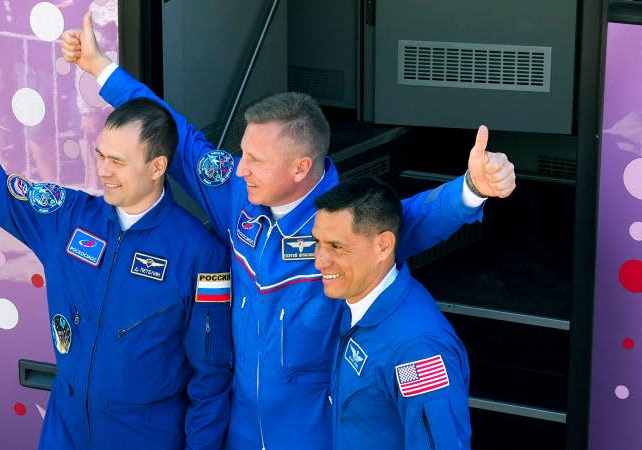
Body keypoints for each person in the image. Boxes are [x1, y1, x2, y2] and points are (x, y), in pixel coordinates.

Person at [62, 12, 515, 449]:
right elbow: (175, 135)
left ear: (301, 167)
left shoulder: (348, 223)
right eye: (243, 153)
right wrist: (102, 70)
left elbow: (415, 218)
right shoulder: (237, 194)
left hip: (313, 434)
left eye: (256, 159)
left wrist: (473, 187)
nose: (240, 169)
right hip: (237, 430)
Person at [0, 34, 232, 450]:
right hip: (64, 433)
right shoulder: (65, 217)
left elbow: (211, 379)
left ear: (158, 166)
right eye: (101, 154)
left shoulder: (200, 254)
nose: (103, 170)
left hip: (146, 438)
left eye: (118, 162)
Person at [313, 177, 471, 449]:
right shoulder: (356, 298)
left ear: (383, 246)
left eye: (336, 246)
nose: (319, 261)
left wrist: (471, 190)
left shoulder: (417, 351)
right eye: (318, 242)